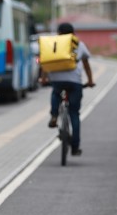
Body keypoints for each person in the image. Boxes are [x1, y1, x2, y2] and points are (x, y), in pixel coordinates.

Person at [40, 22, 95, 156]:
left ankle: (54, 114)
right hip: (75, 82)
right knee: (74, 114)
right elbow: (86, 65)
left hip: (57, 80)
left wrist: (44, 78)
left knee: (56, 91)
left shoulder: (53, 43)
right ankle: (75, 147)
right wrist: (90, 81)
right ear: (73, 33)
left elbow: (45, 62)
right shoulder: (78, 44)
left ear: (58, 33)